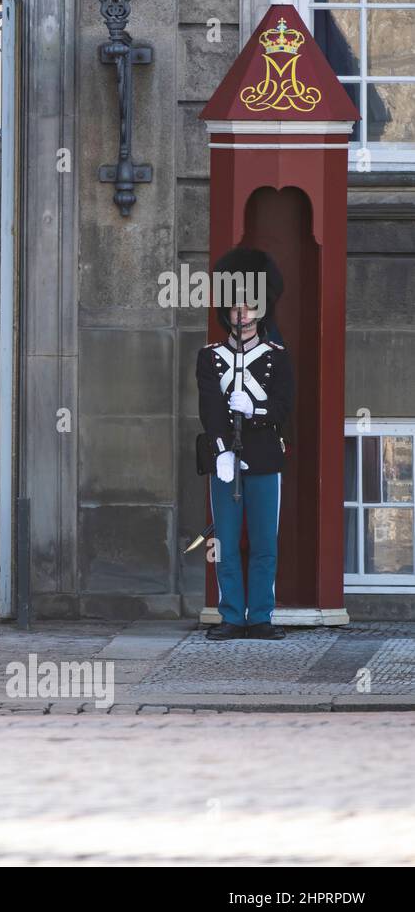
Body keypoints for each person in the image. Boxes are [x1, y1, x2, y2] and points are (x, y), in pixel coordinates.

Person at [198, 247, 295, 641]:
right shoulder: (211, 357)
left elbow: (284, 407)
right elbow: (209, 405)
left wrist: (254, 409)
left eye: (249, 306)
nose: (242, 313)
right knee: (225, 541)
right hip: (225, 461)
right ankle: (232, 615)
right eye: (236, 306)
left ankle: (260, 617)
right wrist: (222, 448)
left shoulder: (276, 357)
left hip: (264, 457)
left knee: (263, 544)